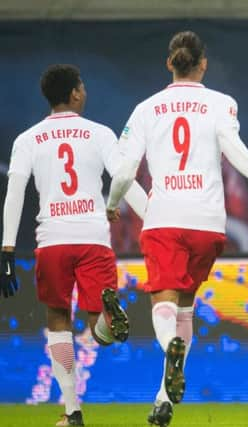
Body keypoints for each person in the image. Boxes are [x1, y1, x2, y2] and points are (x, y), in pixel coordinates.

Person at [105, 31, 248, 427]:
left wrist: (110, 204)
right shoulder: (222, 104)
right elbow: (234, 148)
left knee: (164, 305)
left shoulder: (146, 109)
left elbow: (124, 171)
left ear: (169, 63)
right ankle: (163, 400)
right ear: (203, 64)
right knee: (185, 306)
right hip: (208, 223)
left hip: (165, 219)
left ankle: (167, 350)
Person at [0, 64, 147, 426]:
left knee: (58, 320)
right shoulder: (99, 134)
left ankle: (72, 412)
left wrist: (6, 249)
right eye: (83, 86)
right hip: (94, 237)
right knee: (98, 325)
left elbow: (14, 195)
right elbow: (125, 180)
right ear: (76, 93)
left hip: (52, 240)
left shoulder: (27, 139)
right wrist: (153, 220)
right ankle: (105, 325)